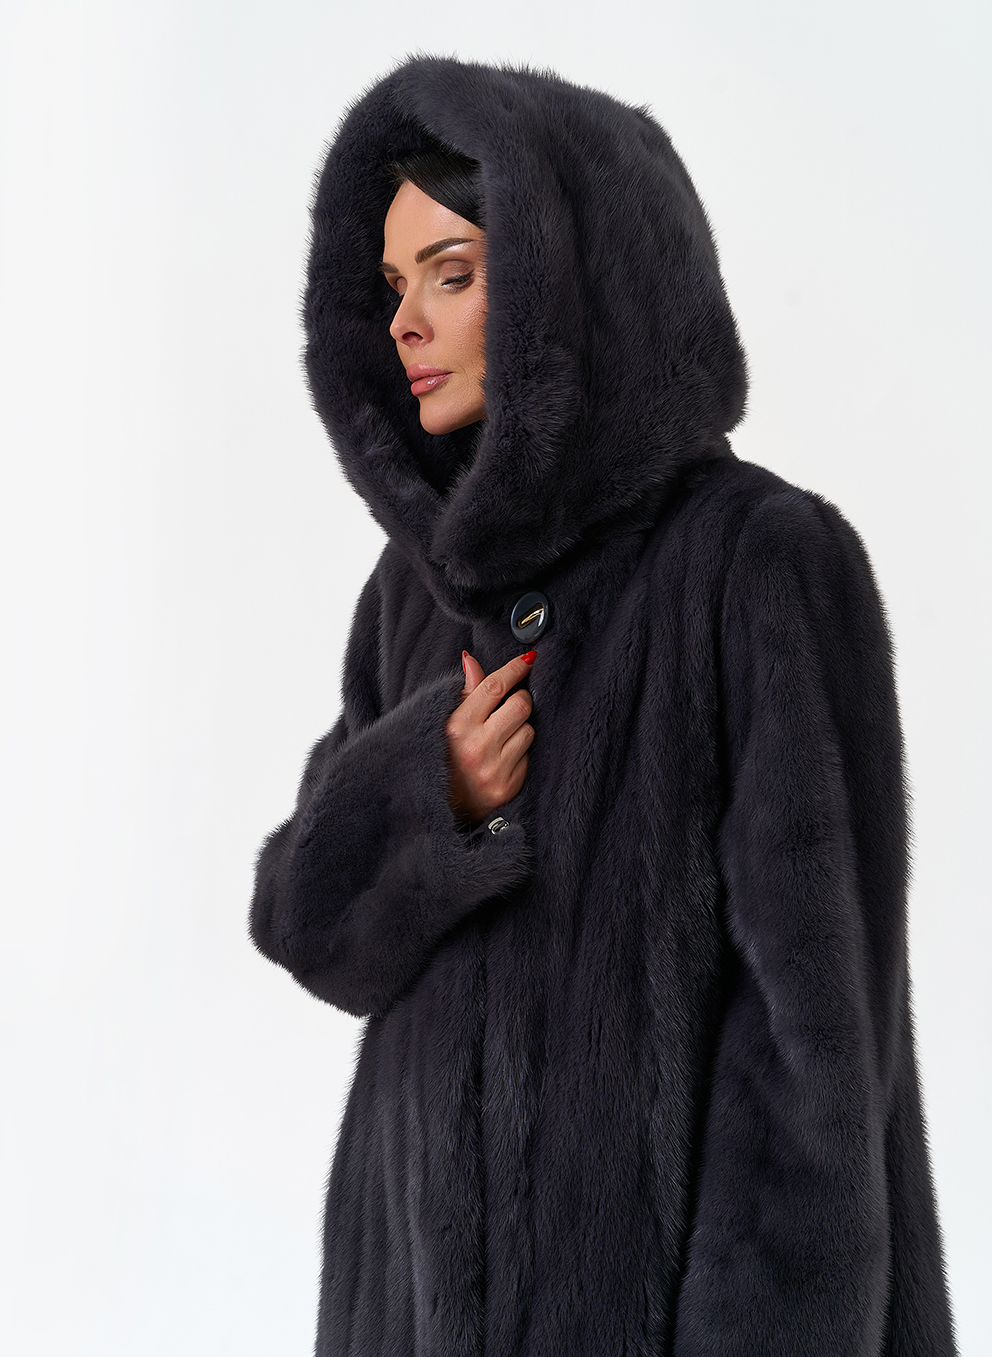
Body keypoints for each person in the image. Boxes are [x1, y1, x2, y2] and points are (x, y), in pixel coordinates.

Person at [249, 54, 958, 1356]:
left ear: (569, 288)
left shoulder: (756, 562)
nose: (404, 323)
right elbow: (306, 928)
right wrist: (429, 795)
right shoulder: (413, 595)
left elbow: (813, 1057)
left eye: (451, 274)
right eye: (394, 286)